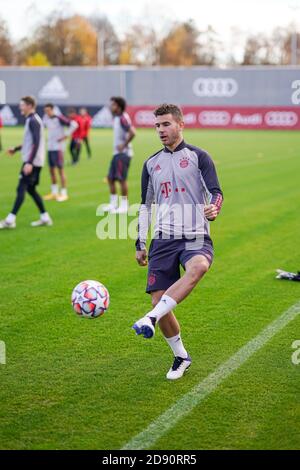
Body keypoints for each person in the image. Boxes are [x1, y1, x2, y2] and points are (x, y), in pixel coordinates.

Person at [133, 103, 223, 380]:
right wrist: (140, 243)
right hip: (163, 239)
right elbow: (146, 206)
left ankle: (150, 319)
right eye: (157, 125)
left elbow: (216, 192)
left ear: (180, 124)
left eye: (166, 124)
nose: (161, 130)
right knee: (158, 300)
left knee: (199, 267)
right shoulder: (151, 163)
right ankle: (181, 356)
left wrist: (214, 208)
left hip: (195, 235)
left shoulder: (199, 157)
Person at [0, 96, 52, 229]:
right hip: (35, 161)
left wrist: (29, 162)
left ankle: (10, 219)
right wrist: (16, 148)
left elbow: (36, 142)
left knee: (21, 188)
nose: (20, 107)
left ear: (29, 105)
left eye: (22, 105)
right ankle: (45, 217)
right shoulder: (32, 119)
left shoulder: (33, 120)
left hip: (32, 162)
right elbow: (30, 142)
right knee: (31, 189)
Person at [102, 97, 136, 214]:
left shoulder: (122, 118)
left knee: (122, 180)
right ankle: (113, 204)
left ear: (119, 107)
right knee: (111, 179)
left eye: (113, 105)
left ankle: (124, 206)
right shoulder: (117, 118)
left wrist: (124, 145)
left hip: (123, 154)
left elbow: (132, 132)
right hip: (117, 153)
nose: (111, 107)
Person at [43, 104, 78, 202]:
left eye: (49, 110)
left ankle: (64, 193)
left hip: (58, 148)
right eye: (46, 111)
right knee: (51, 170)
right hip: (50, 147)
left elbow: (74, 125)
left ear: (53, 110)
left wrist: (66, 136)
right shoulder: (46, 118)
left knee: (60, 171)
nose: (47, 112)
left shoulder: (59, 118)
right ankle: (54, 192)